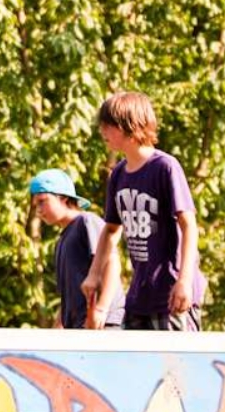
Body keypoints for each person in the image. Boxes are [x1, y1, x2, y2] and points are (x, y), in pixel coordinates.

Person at [82, 92, 206, 330]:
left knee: (174, 366)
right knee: (133, 364)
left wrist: (185, 281)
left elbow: (188, 224)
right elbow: (110, 230)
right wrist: (94, 273)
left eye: (108, 126)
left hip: (170, 293)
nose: (102, 132)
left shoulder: (165, 167)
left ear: (128, 125)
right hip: (140, 294)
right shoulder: (118, 174)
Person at [29, 168, 124, 329]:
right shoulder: (61, 241)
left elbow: (112, 263)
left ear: (63, 198)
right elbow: (68, 296)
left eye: (42, 201)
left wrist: (101, 309)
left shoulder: (86, 222)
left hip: (103, 324)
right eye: (35, 205)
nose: (38, 210)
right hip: (79, 328)